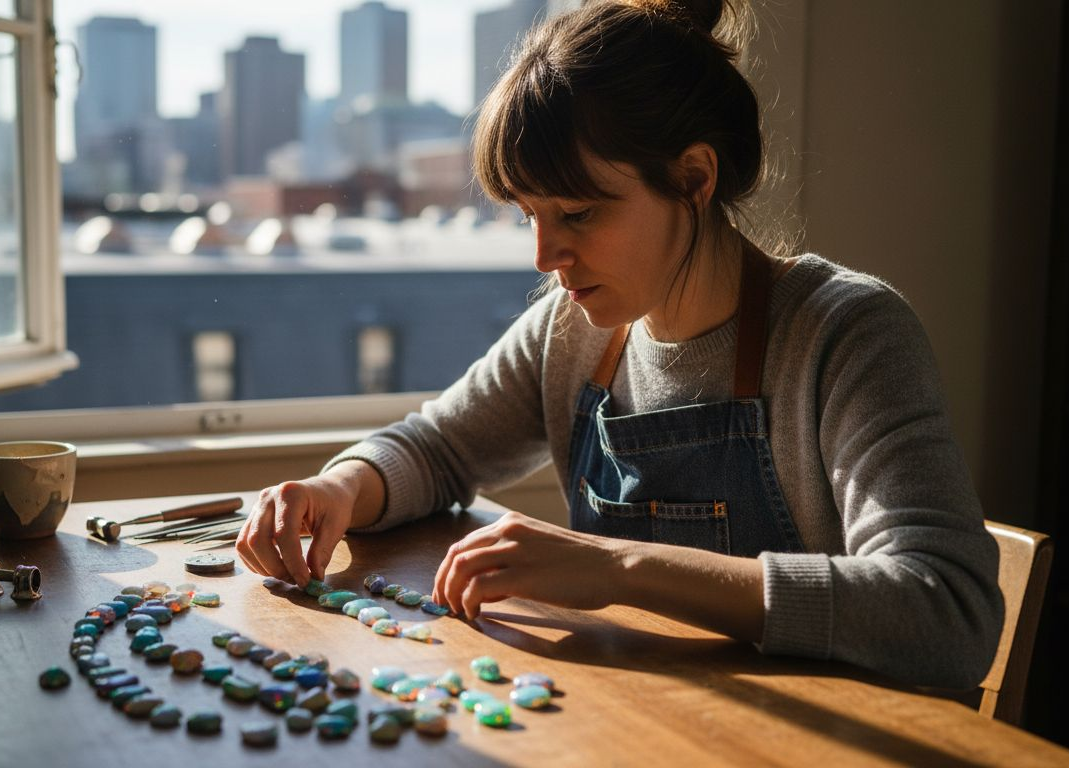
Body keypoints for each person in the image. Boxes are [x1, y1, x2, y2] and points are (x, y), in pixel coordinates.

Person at [235, 0, 1003, 689]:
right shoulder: (573, 329)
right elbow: (437, 449)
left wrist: (620, 568)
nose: (545, 256)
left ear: (694, 179)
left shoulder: (846, 335)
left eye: (576, 213)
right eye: (527, 214)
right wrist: (337, 489)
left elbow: (948, 616)